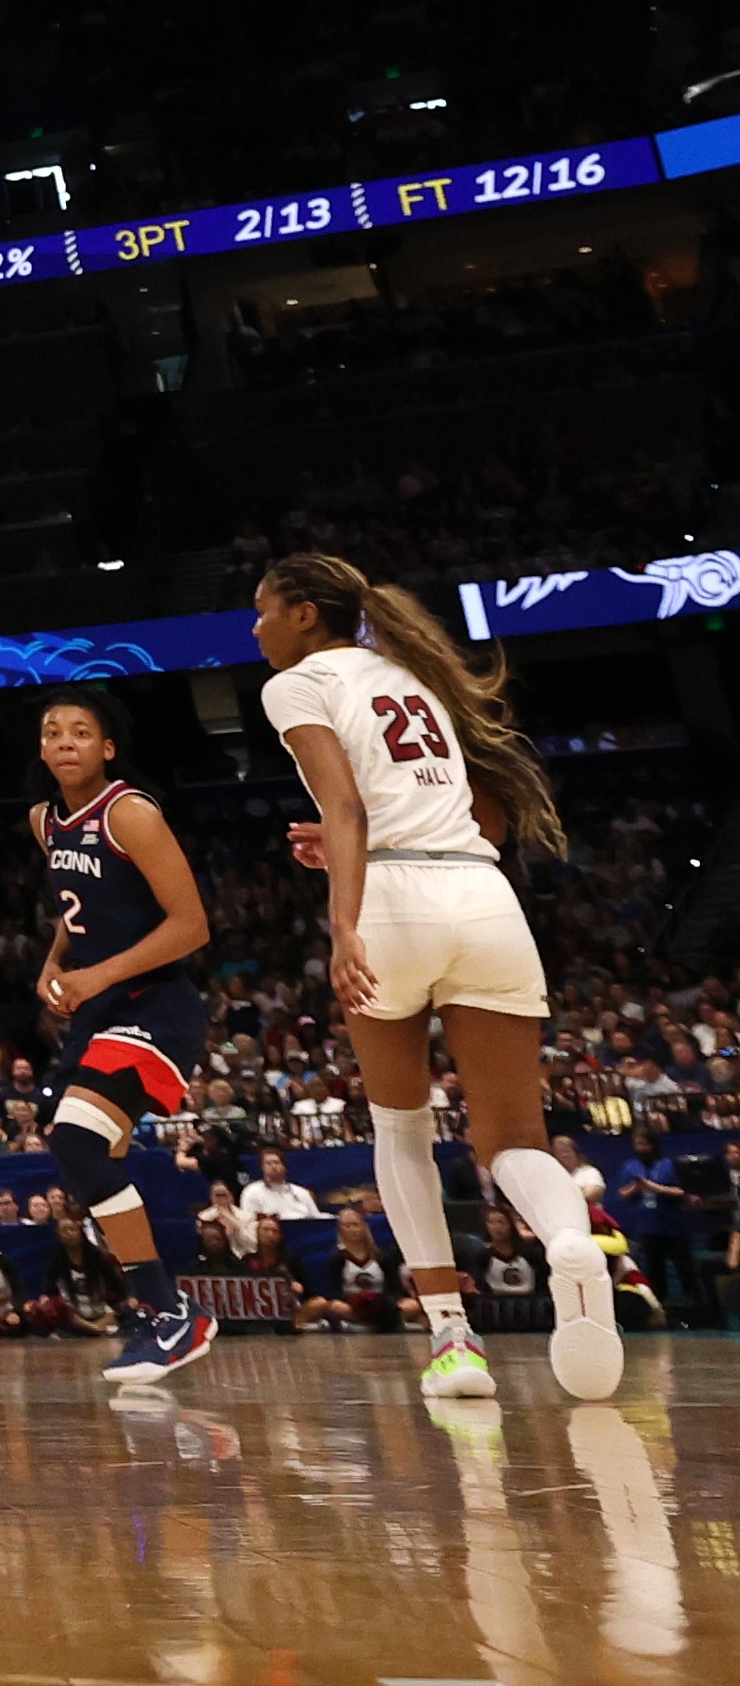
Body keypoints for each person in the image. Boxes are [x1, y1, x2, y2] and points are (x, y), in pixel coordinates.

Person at [253, 551, 613, 1396]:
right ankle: (569, 1241)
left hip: (392, 904)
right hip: (483, 896)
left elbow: (342, 804)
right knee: (515, 1140)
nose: (257, 627)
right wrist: (363, 845)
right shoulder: (415, 676)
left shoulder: (297, 685)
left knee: (402, 1130)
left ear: (307, 614)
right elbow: (480, 814)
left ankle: (454, 1340)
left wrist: (343, 923)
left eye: (263, 610)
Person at [24, 689, 221, 1388]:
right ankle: (166, 1314)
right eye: (54, 732)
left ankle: (169, 1314)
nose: (66, 741)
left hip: (157, 1002)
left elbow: (191, 924)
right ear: (43, 751)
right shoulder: (45, 820)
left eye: (82, 731)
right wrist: (57, 962)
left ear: (108, 749)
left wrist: (96, 973)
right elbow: (74, 910)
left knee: (77, 1142)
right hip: (100, 1006)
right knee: (78, 1152)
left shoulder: (129, 813)